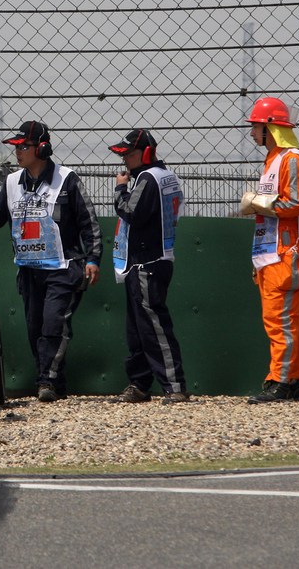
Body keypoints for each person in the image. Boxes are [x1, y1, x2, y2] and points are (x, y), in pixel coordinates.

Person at [0, 121, 103, 402]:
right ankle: (54, 383)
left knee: (54, 325)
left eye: (23, 146)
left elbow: (90, 223)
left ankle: (46, 382)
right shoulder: (12, 183)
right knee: (35, 329)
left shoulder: (67, 179)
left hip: (63, 268)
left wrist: (93, 257)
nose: (18, 152)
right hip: (29, 270)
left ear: (42, 148)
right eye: (16, 147)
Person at [107, 129, 190, 404]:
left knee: (154, 326)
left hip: (148, 263)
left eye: (128, 154)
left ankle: (174, 385)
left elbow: (131, 211)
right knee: (137, 328)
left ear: (144, 153)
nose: (125, 162)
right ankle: (140, 384)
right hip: (153, 259)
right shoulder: (166, 176)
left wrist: (120, 188)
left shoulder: (147, 177)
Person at [240, 97, 299, 404]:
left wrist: (259, 203)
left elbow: (298, 203)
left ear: (270, 128)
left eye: (256, 126)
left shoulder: (291, 159)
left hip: (285, 254)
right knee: (275, 319)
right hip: (269, 254)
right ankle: (284, 380)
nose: (253, 132)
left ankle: (284, 381)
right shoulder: (273, 161)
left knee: (283, 320)